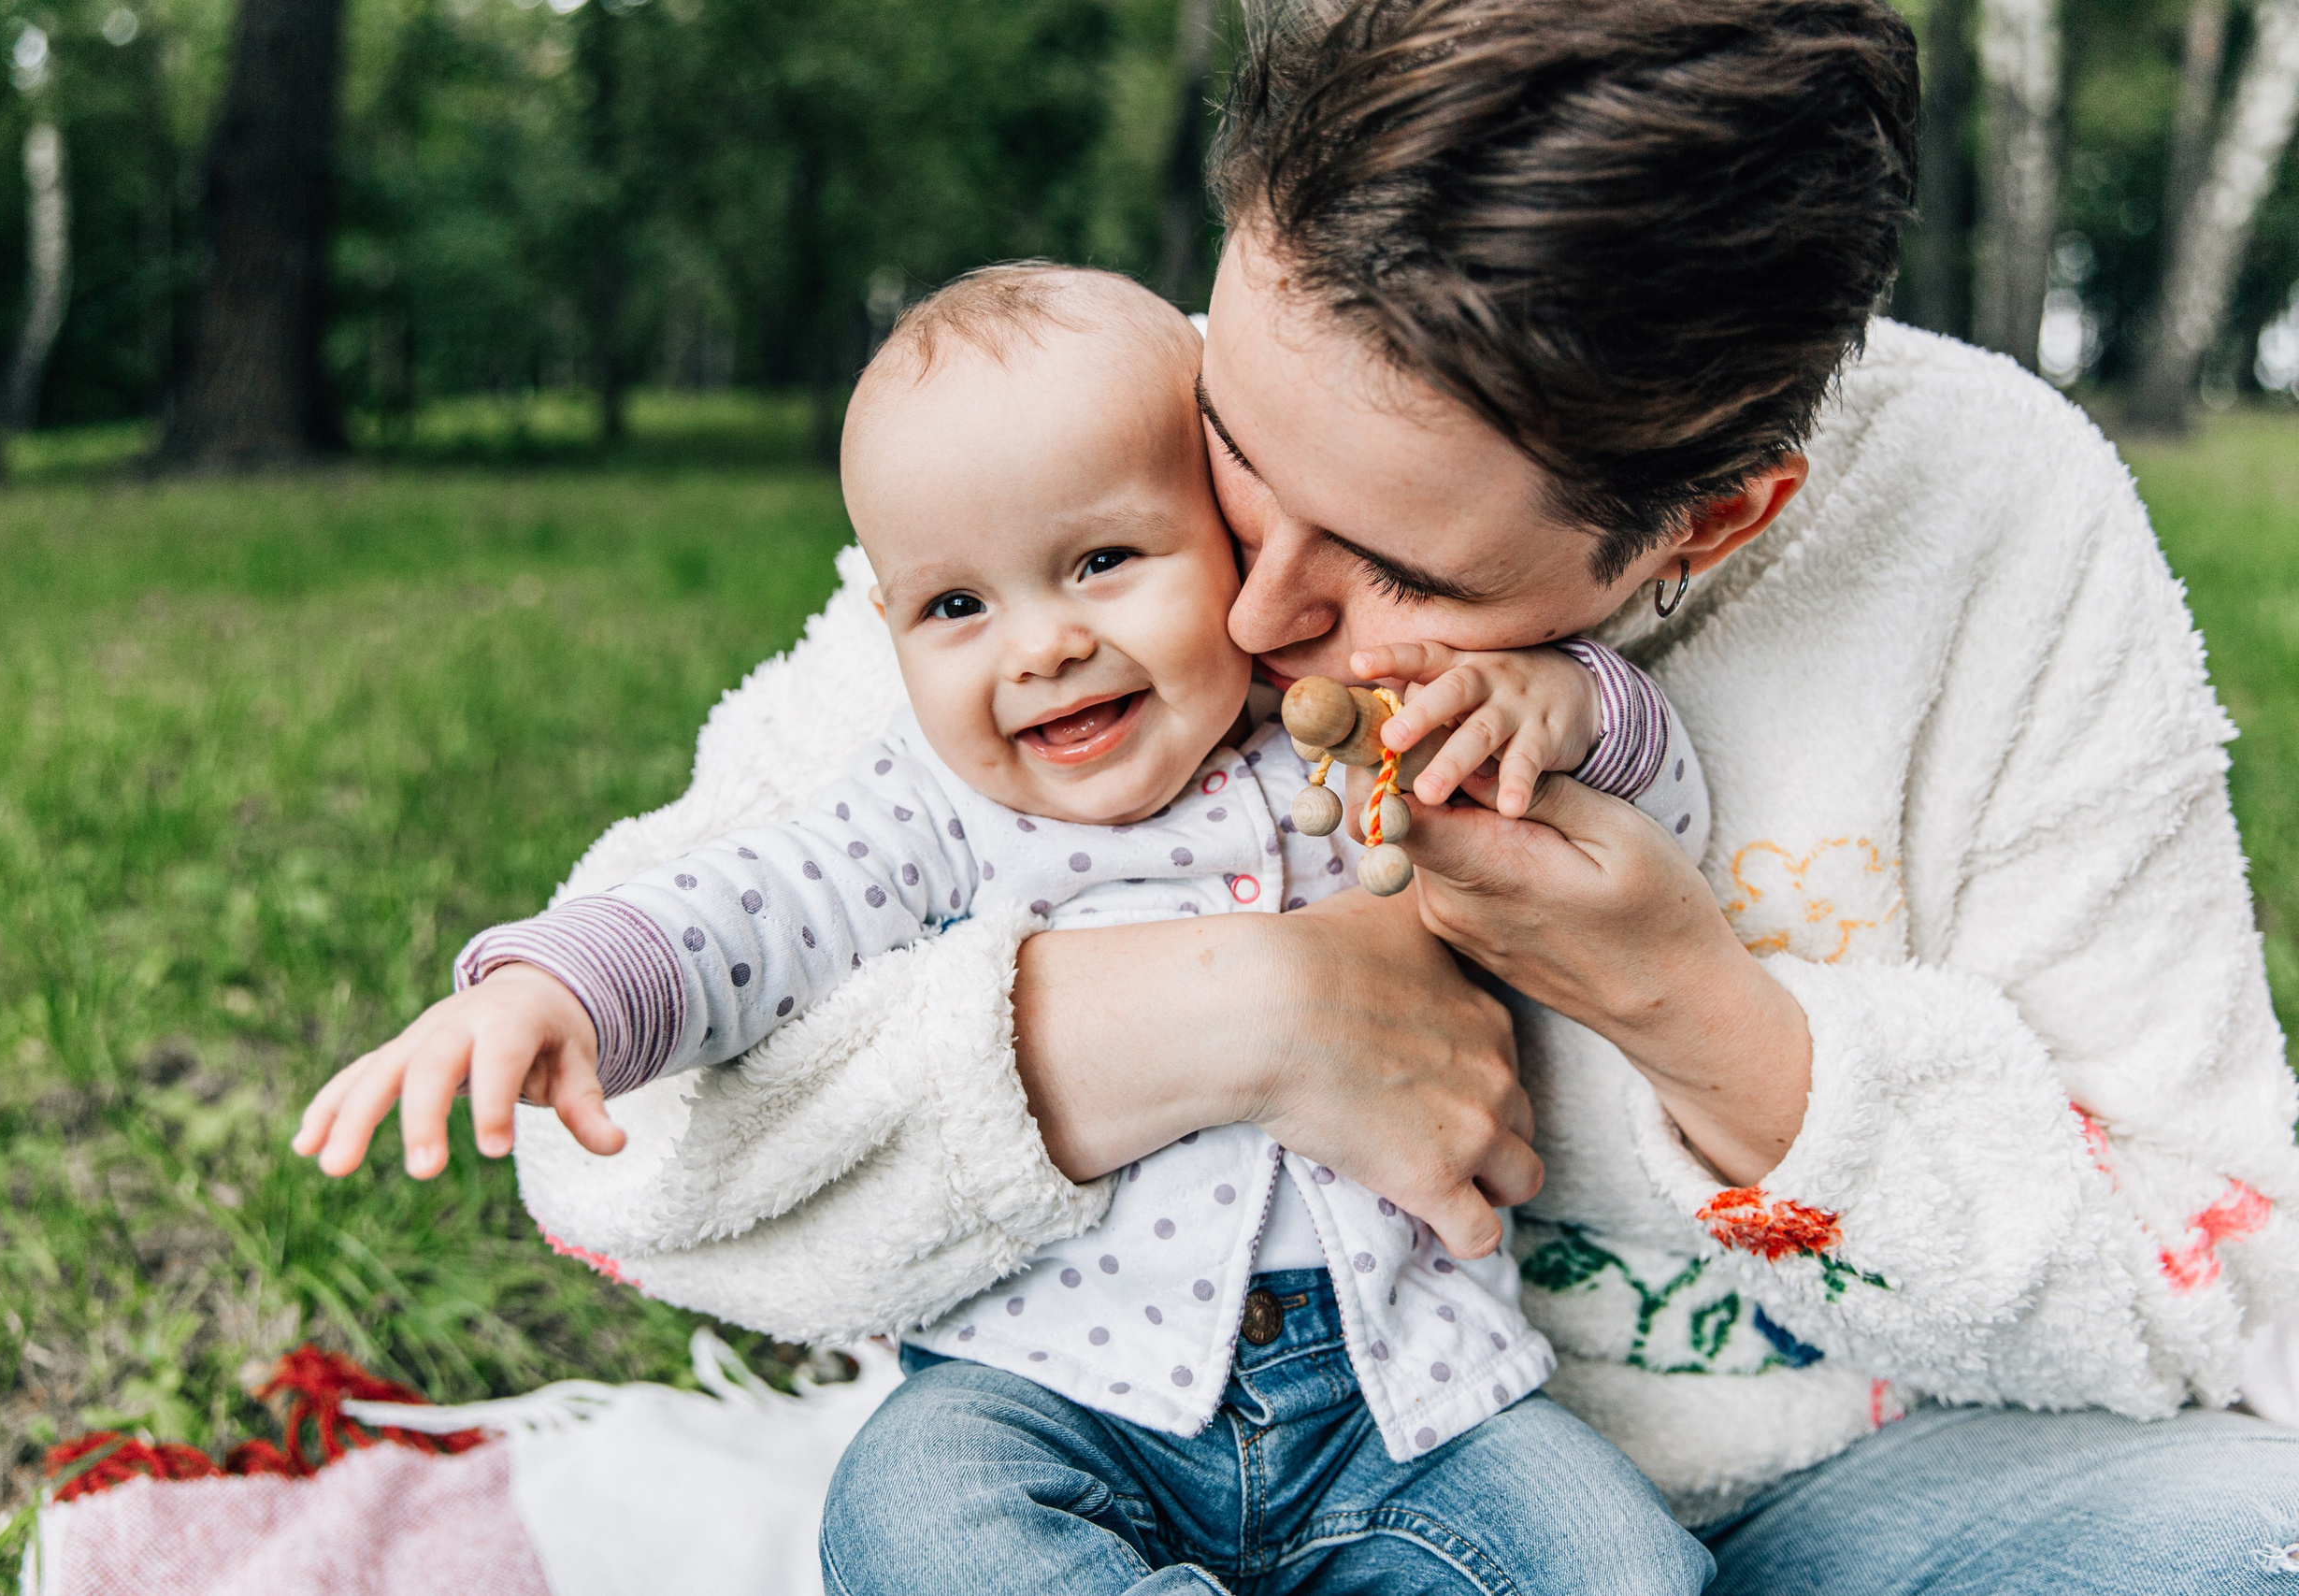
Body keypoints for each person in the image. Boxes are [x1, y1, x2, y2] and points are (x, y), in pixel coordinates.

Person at [353, 0, 2299, 1589]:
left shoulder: (1992, 521)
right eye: (1233, 452)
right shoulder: (1075, 513)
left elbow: (2230, 1285)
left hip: (1735, 1501)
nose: (1260, 610)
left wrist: (1693, 1017)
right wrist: (1217, 1014)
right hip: (1123, 1426)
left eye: (1403, 573)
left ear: (1713, 515)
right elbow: (613, 1152)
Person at [298, 261, 1717, 1592]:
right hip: (1053, 1390)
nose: (1040, 646)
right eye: (957, 605)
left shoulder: (1352, 738)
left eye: (1103, 560)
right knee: (908, 1513)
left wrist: (1573, 708)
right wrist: (560, 988)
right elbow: (747, 908)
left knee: (1627, 1564)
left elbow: (1656, 819)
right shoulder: (934, 806)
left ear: (1235, 543)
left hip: (1414, 1399)